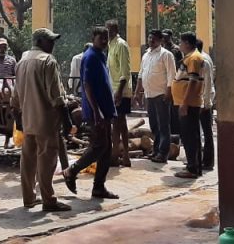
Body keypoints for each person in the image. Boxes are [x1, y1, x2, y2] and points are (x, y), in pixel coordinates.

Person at [11, 28, 74, 212]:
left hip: (28, 118)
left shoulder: (22, 61)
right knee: (47, 160)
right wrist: (67, 121)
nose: (53, 45)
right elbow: (56, 96)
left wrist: (18, 118)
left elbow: (15, 97)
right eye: (50, 41)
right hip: (45, 119)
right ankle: (49, 200)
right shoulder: (48, 61)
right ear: (40, 42)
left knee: (28, 160)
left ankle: (28, 197)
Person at [62, 27, 118, 199]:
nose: (104, 41)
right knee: (99, 146)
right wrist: (96, 111)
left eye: (106, 38)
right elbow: (87, 85)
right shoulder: (90, 56)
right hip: (97, 111)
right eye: (101, 38)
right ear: (93, 38)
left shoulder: (101, 55)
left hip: (105, 109)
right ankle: (72, 170)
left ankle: (99, 187)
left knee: (106, 149)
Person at [137, 30, 177, 163]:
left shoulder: (166, 55)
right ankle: (156, 150)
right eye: (149, 38)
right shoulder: (146, 55)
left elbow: (172, 75)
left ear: (160, 40)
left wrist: (169, 92)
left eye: (154, 39)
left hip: (161, 94)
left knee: (163, 125)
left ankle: (163, 153)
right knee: (154, 125)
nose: (151, 40)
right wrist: (137, 92)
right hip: (149, 94)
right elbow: (141, 74)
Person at [173, 32, 205, 179]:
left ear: (187, 43)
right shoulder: (190, 57)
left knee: (189, 136)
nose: (179, 45)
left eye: (181, 42)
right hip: (186, 102)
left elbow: (192, 81)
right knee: (190, 135)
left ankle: (193, 168)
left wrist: (184, 103)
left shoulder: (194, 58)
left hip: (189, 103)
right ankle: (194, 165)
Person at [105, 20, 132, 167]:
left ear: (115, 30)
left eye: (109, 30)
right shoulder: (110, 45)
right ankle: (125, 155)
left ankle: (115, 155)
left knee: (117, 124)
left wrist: (119, 92)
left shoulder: (121, 45)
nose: (107, 33)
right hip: (113, 90)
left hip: (120, 90)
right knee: (121, 124)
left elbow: (125, 71)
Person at [196, 40, 216, 171]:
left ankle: (207, 162)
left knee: (206, 131)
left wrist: (206, 102)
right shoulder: (202, 57)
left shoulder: (203, 60)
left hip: (204, 99)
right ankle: (198, 160)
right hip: (202, 98)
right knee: (199, 131)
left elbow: (207, 83)